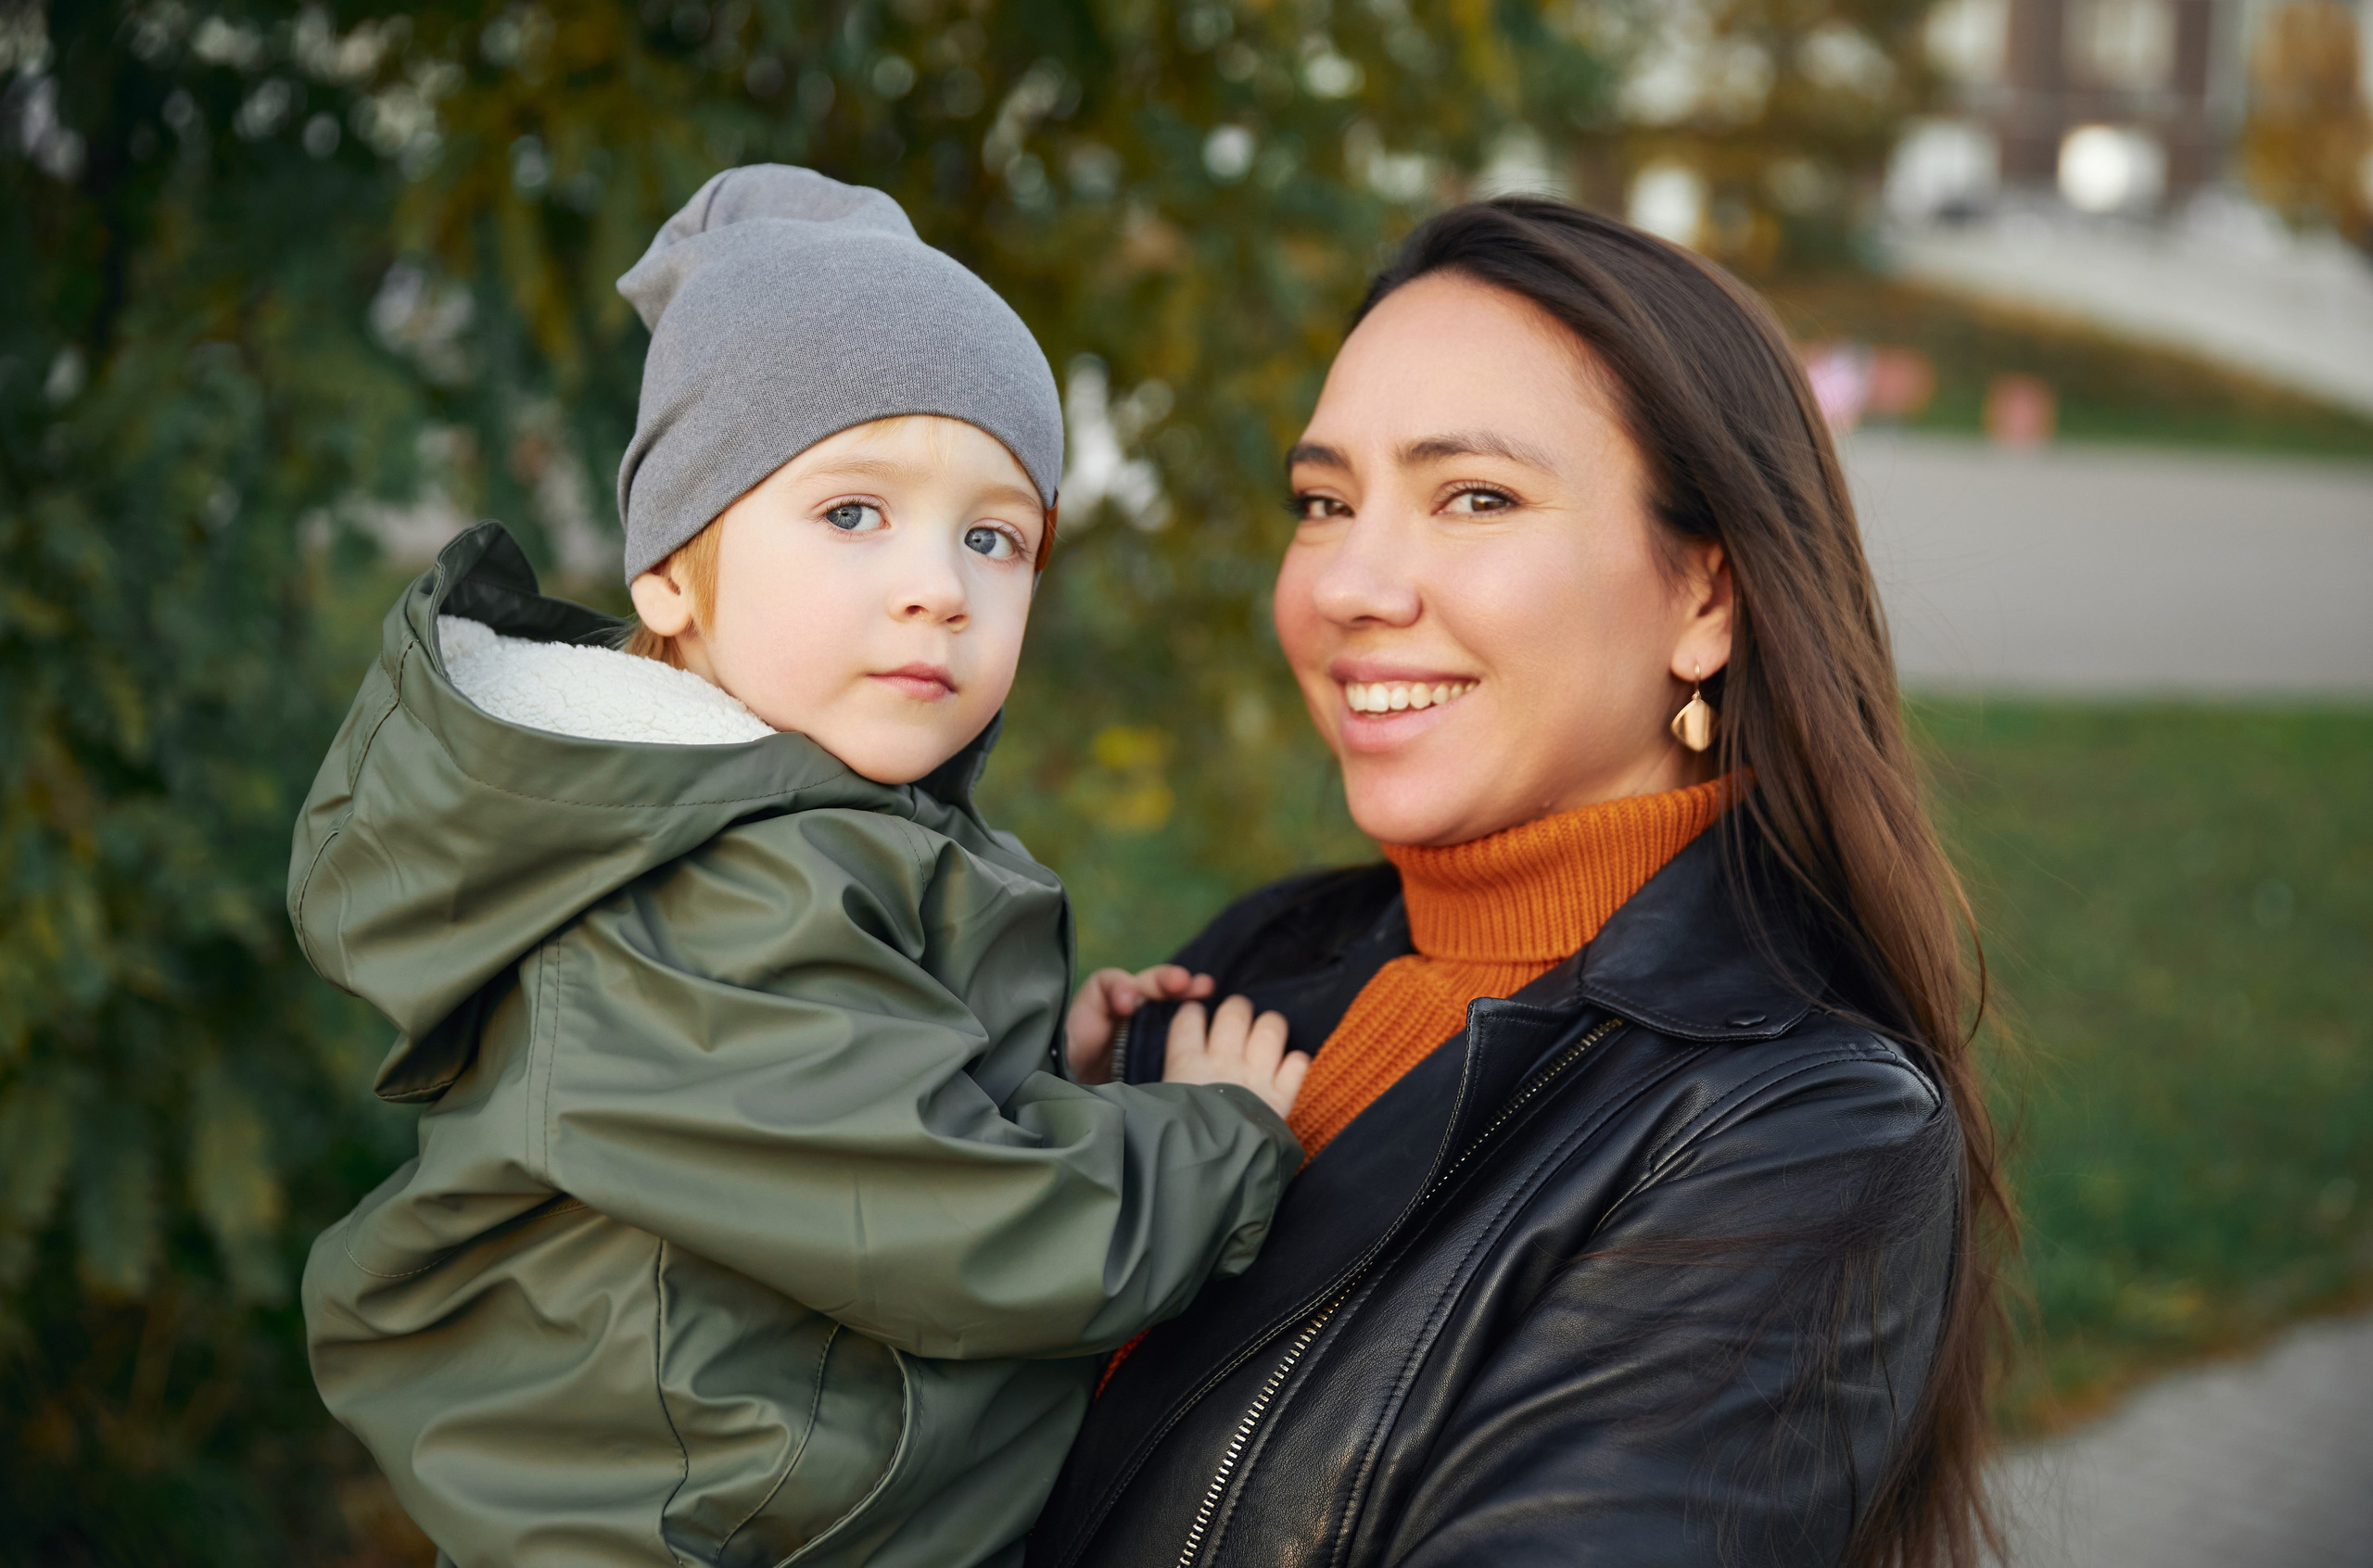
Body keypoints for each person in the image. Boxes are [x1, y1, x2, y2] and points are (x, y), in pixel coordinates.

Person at [291, 166, 1306, 1568]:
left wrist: (1025, 1071)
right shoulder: (695, 893)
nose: (938, 586)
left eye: (994, 537)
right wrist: (1211, 1140)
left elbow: (851, 1119)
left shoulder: (788, 836)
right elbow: (948, 1223)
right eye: (852, 514)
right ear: (670, 572)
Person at [1035, 198, 2010, 1568]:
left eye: (1475, 497)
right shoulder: (1256, 964)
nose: (1351, 583)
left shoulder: (1798, 1140)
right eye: (1324, 502)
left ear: (1706, 599)